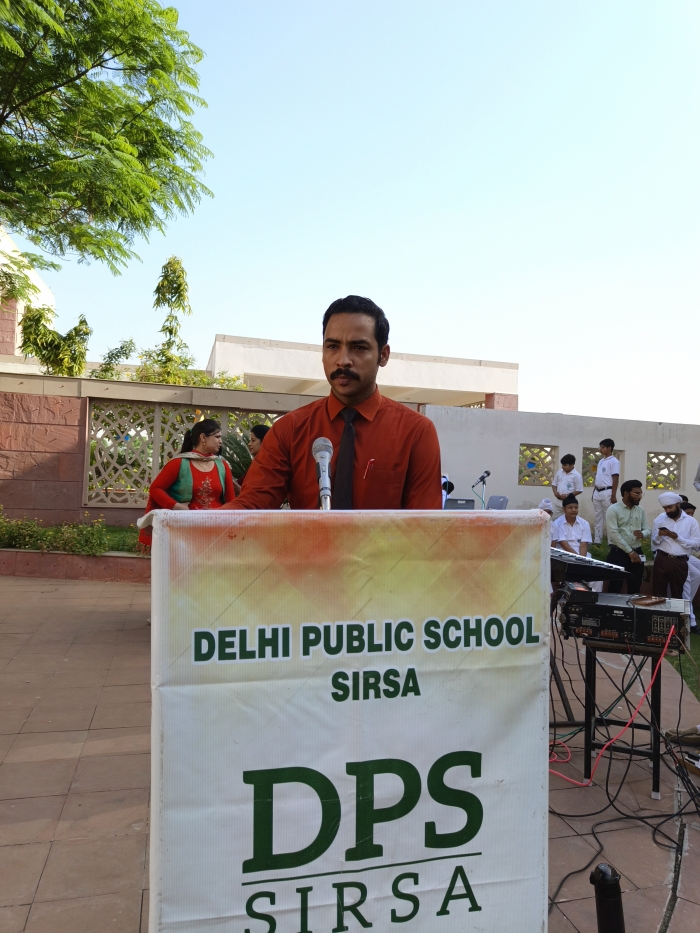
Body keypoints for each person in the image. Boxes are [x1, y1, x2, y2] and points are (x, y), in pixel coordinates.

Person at [221, 296, 442, 510]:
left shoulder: (416, 432)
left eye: (359, 347)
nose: (343, 360)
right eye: (333, 346)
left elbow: (426, 524)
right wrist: (202, 523)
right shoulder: (289, 430)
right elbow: (252, 505)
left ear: (383, 355)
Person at [138, 419, 236, 550]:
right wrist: (176, 506)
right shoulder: (179, 463)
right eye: (217, 437)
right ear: (203, 437)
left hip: (217, 529)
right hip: (185, 529)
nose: (220, 441)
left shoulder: (222, 465)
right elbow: (156, 488)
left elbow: (231, 501)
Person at [605, 479, 650, 594]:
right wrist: (630, 552)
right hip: (618, 553)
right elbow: (613, 533)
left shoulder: (640, 510)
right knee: (615, 587)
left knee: (635, 587)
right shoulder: (613, 509)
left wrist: (643, 533)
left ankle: (633, 606)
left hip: (637, 552)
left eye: (641, 494)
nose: (640, 497)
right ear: (626, 494)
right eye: (636, 493)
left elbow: (647, 529)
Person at [651, 492, 700, 599]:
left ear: (678, 504)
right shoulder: (660, 520)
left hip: (680, 561)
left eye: (670, 507)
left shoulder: (691, 521)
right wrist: (659, 535)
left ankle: (680, 610)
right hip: (662, 559)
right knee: (658, 593)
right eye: (665, 508)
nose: (667, 511)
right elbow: (655, 542)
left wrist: (677, 538)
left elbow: (696, 543)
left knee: (679, 594)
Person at [592, 439, 620, 544]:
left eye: (603, 447)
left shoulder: (614, 462)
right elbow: (598, 478)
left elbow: (615, 478)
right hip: (598, 491)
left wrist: (613, 495)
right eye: (600, 447)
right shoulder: (601, 461)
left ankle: (611, 542)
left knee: (609, 517)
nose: (600, 449)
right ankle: (597, 541)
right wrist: (594, 492)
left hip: (607, 491)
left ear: (609, 448)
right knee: (598, 517)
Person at [681, 502, 700, 631]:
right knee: (687, 583)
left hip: (687, 556)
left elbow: (696, 546)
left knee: (697, 574)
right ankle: (690, 620)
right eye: (688, 513)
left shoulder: (692, 524)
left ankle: (688, 603)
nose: (690, 516)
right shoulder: (676, 524)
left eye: (692, 513)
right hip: (676, 558)